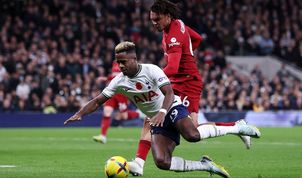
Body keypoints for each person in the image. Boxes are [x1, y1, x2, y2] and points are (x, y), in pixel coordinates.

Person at [64, 41, 260, 178]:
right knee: (162, 162)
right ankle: (204, 165)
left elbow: (168, 93)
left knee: (192, 135)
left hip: (171, 108)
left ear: (134, 59)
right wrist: (79, 114)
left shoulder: (151, 70)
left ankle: (237, 126)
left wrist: (162, 112)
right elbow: (98, 101)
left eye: (123, 62)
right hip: (157, 120)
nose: (120, 66)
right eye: (118, 62)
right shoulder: (119, 82)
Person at [129, 0, 257, 176]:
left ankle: (236, 127)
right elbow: (197, 39)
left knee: (190, 130)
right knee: (157, 118)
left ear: (168, 16)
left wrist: (152, 78)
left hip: (186, 82)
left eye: (157, 19)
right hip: (180, 80)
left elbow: (173, 68)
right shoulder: (176, 26)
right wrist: (186, 53)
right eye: (152, 20)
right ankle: (139, 162)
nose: (154, 23)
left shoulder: (173, 35)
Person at [92, 61, 143, 144]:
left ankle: (139, 114)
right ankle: (103, 136)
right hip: (112, 91)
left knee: (124, 116)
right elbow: (114, 76)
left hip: (122, 93)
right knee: (107, 112)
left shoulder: (128, 62)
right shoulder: (115, 62)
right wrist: (105, 79)